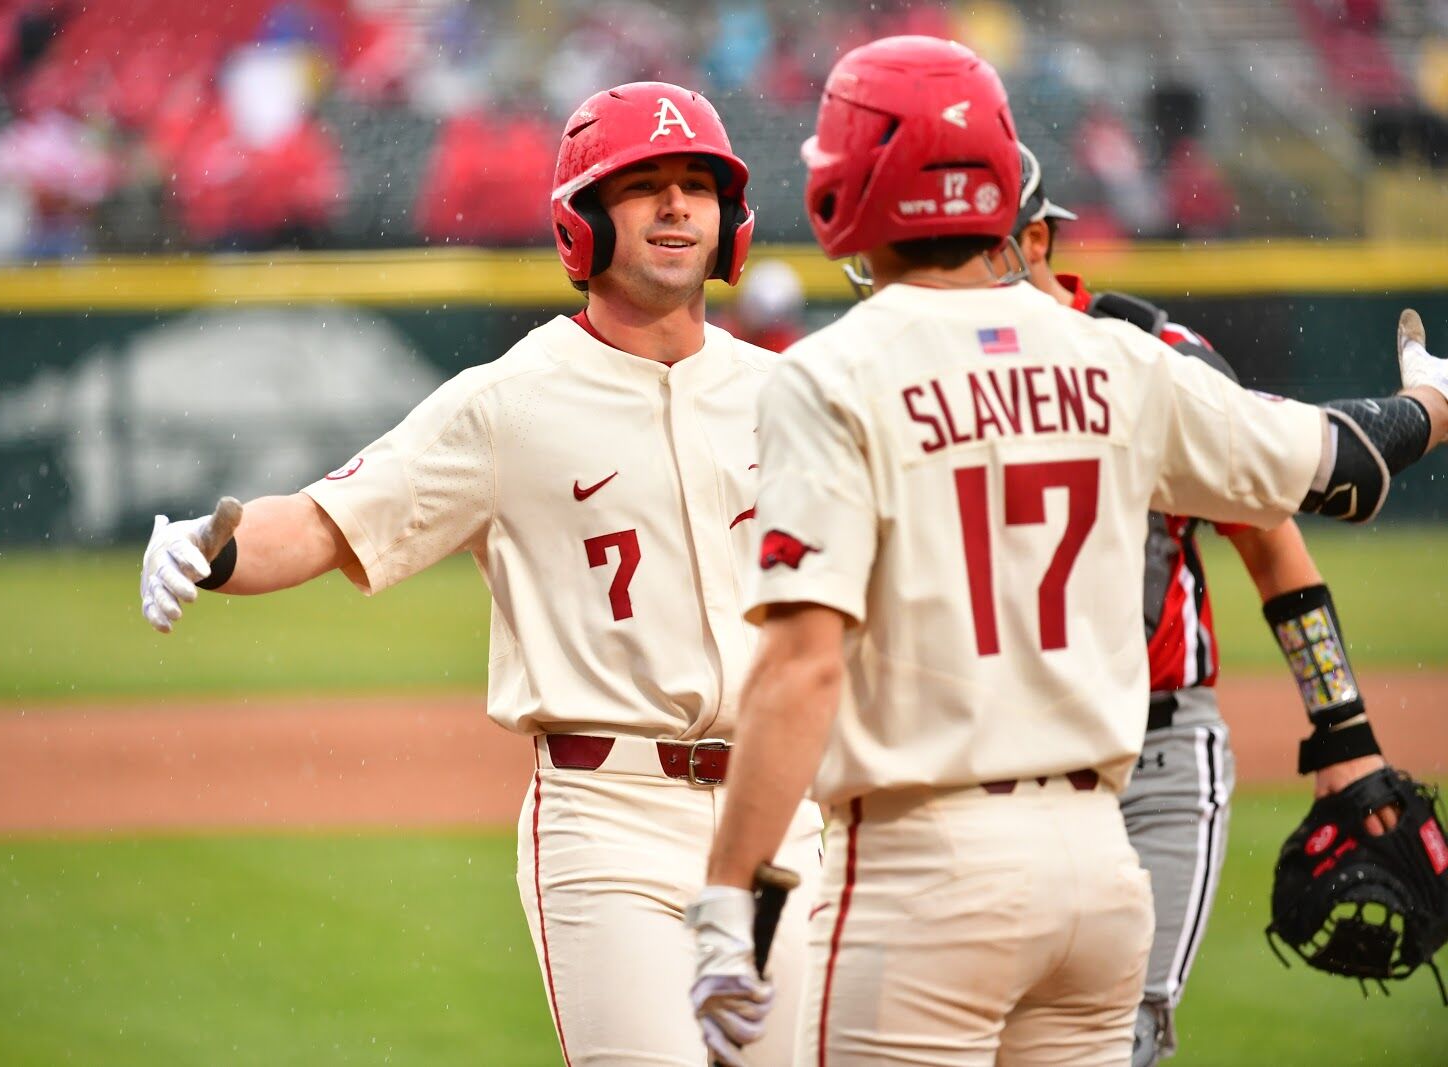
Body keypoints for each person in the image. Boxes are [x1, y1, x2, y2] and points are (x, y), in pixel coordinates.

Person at [685, 35, 1448, 1066]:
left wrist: (731, 892)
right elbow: (1337, 463)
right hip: (1098, 868)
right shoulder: (1122, 359)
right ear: (1002, 193)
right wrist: (1428, 402)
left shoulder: (831, 375)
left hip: (928, 865)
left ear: (842, 183)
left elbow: (803, 662)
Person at [138, 82, 824, 1066]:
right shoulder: (507, 401)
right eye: (644, 186)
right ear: (581, 222)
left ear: (732, 220)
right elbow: (336, 519)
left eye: (697, 186)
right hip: (610, 819)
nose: (677, 207)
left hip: (780, 819)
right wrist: (217, 546)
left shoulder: (786, 395)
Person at [1011, 143, 1396, 1065]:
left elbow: (1270, 542)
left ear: (1036, 239)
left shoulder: (1156, 362)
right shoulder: (921, 375)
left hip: (1156, 754)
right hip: (1004, 759)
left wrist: (1343, 728)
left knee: (1121, 1037)